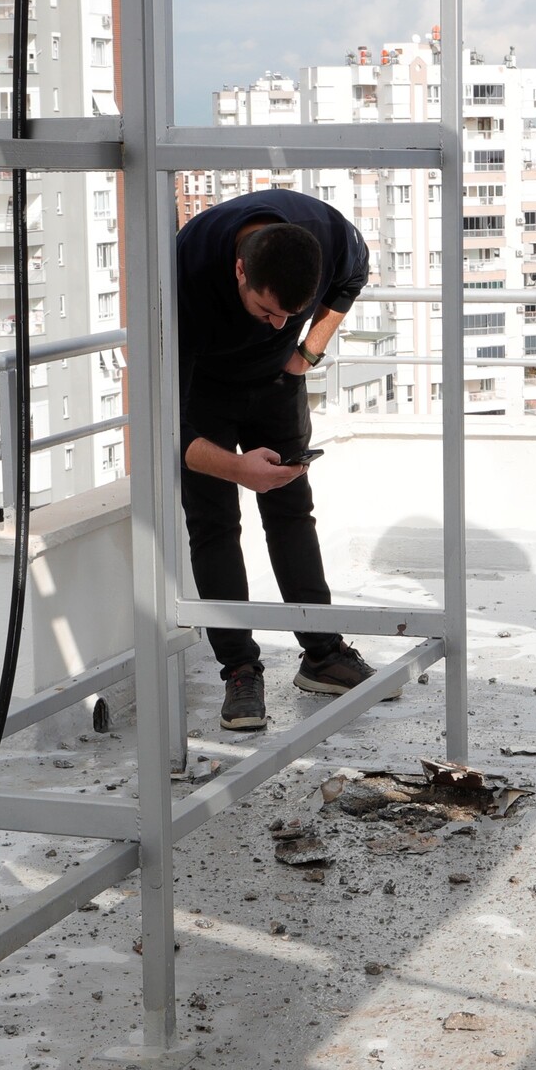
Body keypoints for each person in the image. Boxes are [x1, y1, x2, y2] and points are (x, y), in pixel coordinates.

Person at [176, 188, 385, 731]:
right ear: (240, 270)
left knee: (293, 510)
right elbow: (163, 425)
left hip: (278, 383)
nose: (275, 324)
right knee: (215, 525)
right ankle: (240, 671)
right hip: (203, 390)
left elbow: (354, 276)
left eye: (287, 315)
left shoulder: (325, 230)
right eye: (267, 310)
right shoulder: (185, 269)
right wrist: (237, 468)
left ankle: (322, 652)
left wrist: (305, 351)